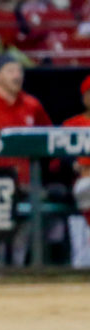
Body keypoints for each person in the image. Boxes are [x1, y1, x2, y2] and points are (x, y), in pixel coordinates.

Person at [0, 56, 51, 184]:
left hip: (26, 183)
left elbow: (48, 137)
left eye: (19, 71)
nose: (17, 76)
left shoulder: (32, 105)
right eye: (11, 71)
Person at [62, 75, 90, 245]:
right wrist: (74, 165)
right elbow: (59, 161)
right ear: (84, 97)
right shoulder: (72, 124)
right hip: (80, 185)